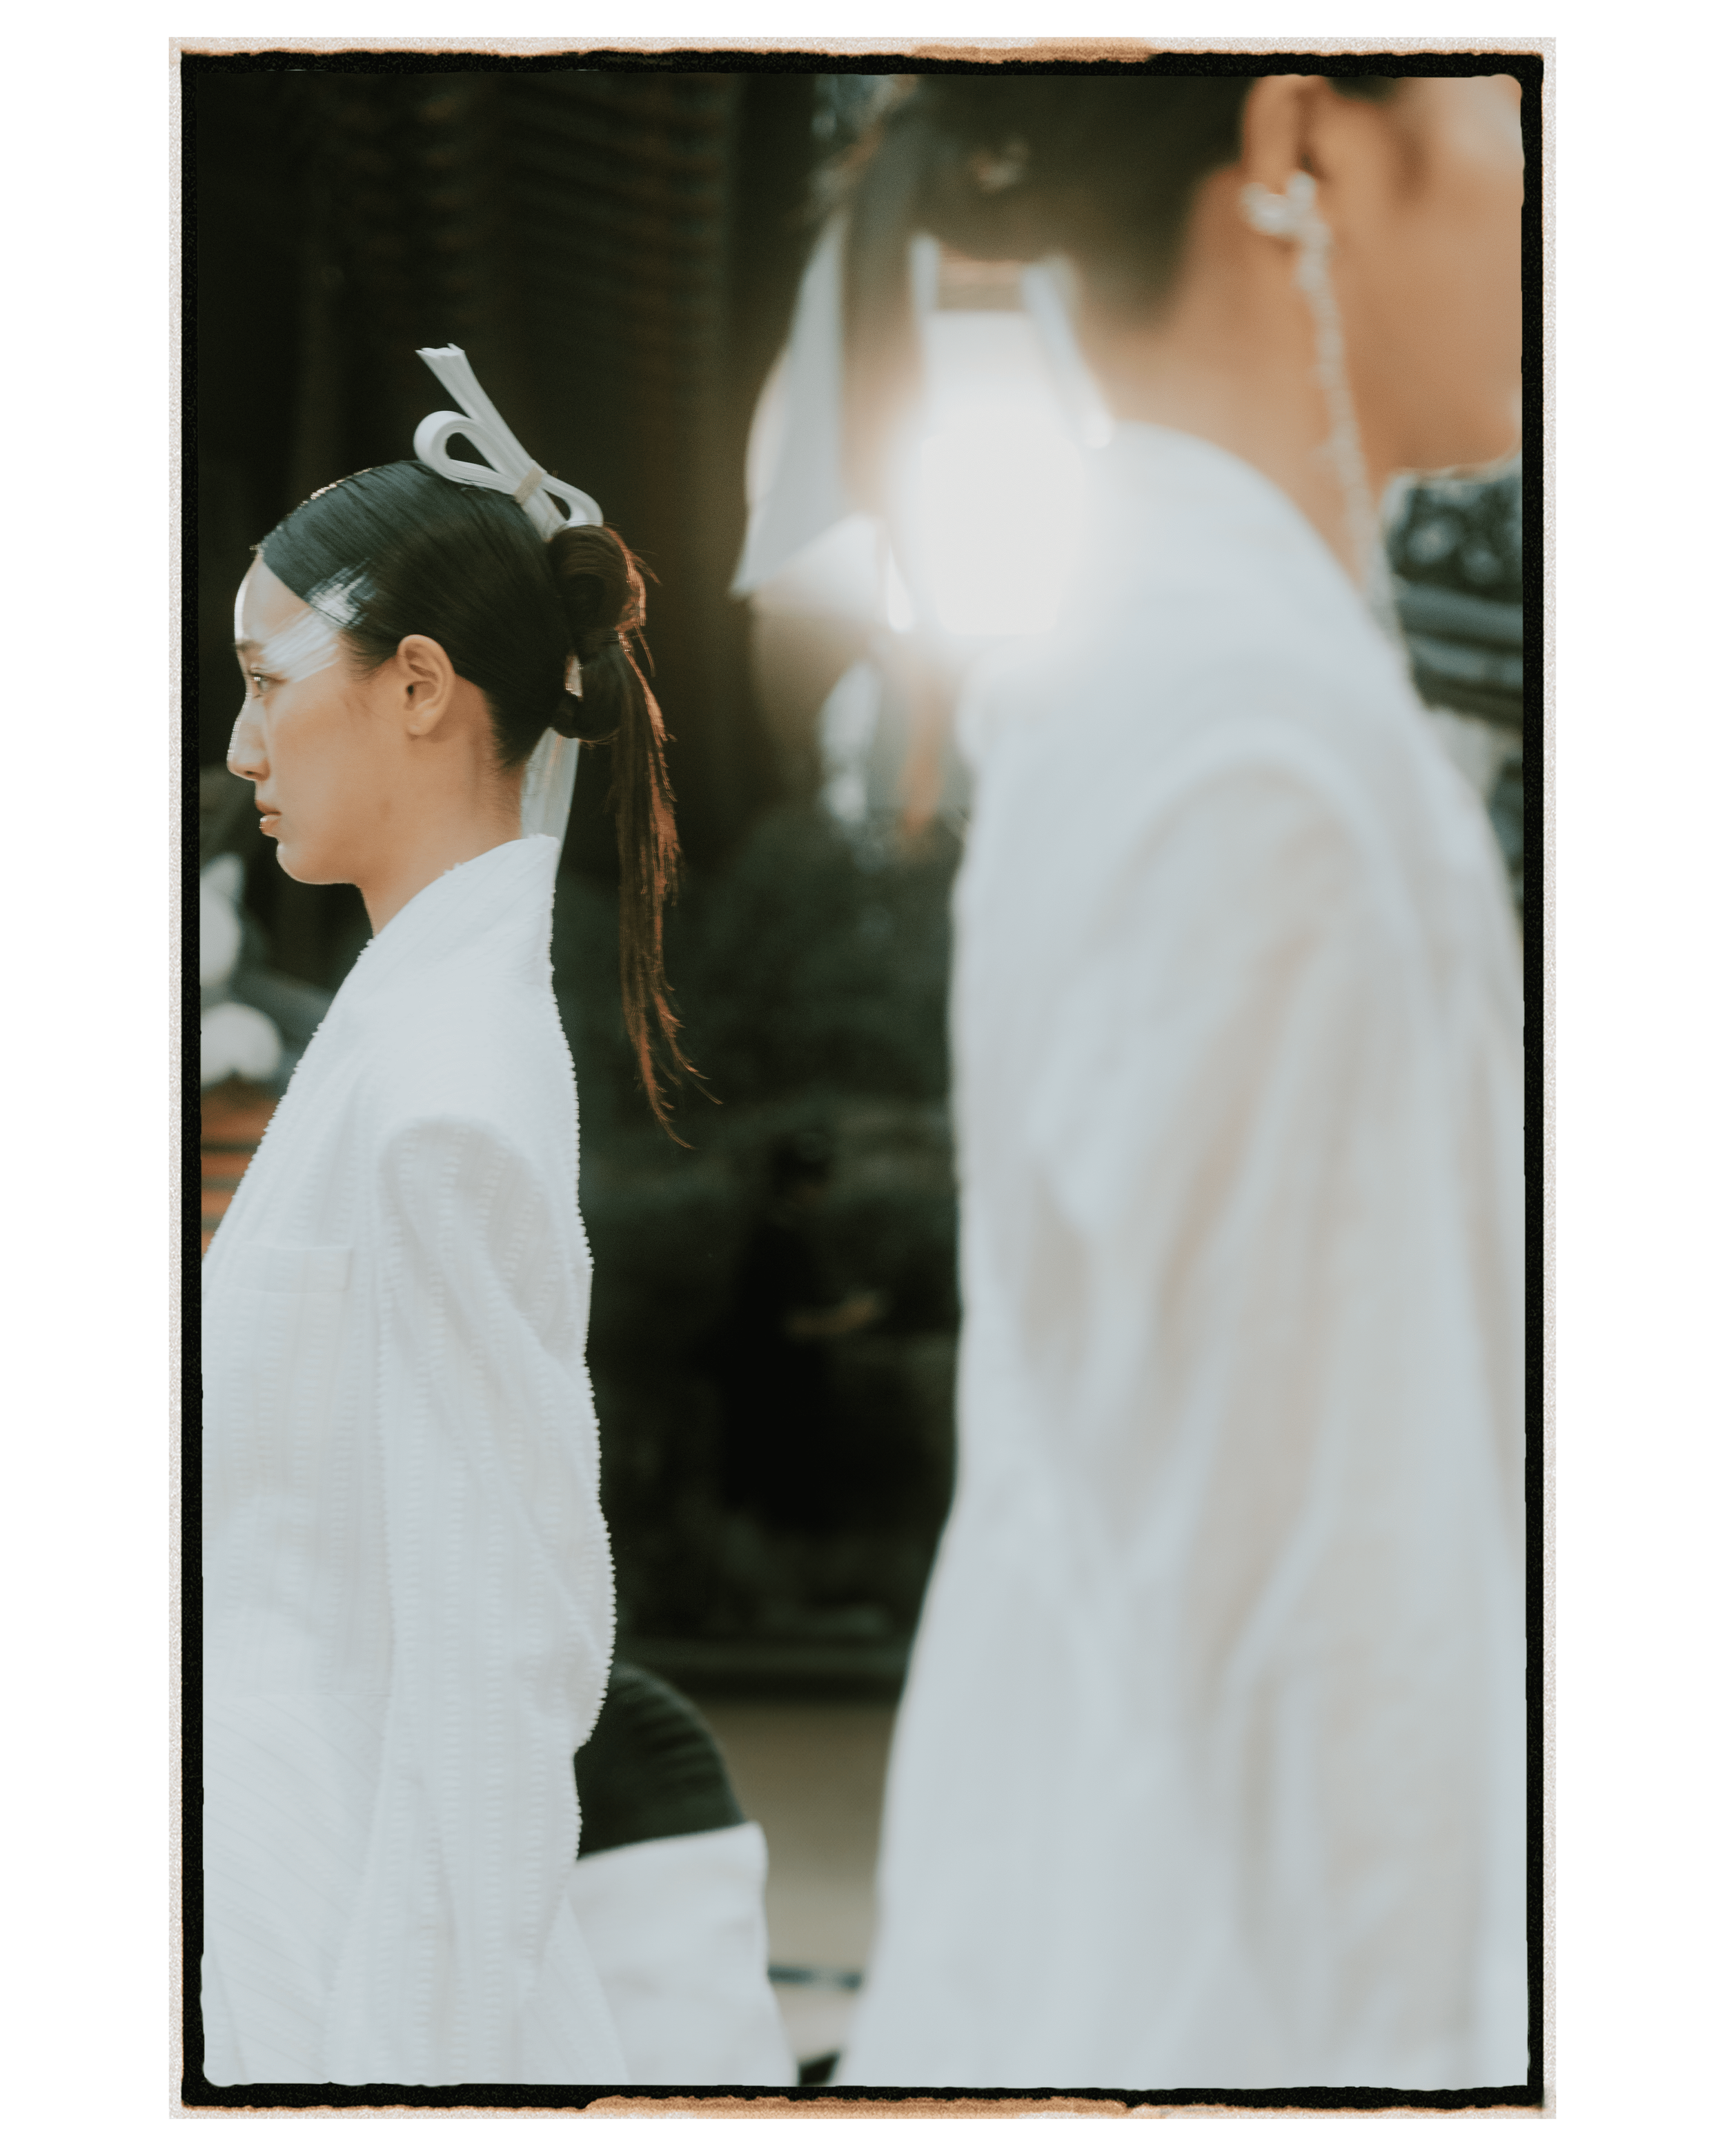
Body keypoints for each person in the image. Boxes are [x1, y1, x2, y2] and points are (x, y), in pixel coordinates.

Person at [816, 75, 1528, 2090]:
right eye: (1511, 108)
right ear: (1297, 151)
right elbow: (1329, 1636)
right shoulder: (1246, 731)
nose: (1541, 186)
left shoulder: (1186, 668)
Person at [200, 350, 767, 2084]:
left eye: (265, 681)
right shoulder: (401, 1032)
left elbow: (496, 1647)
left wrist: (408, 2065)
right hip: (278, 1870)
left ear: (420, 684)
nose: (239, 745)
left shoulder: (442, 1089)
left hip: (346, 1951)